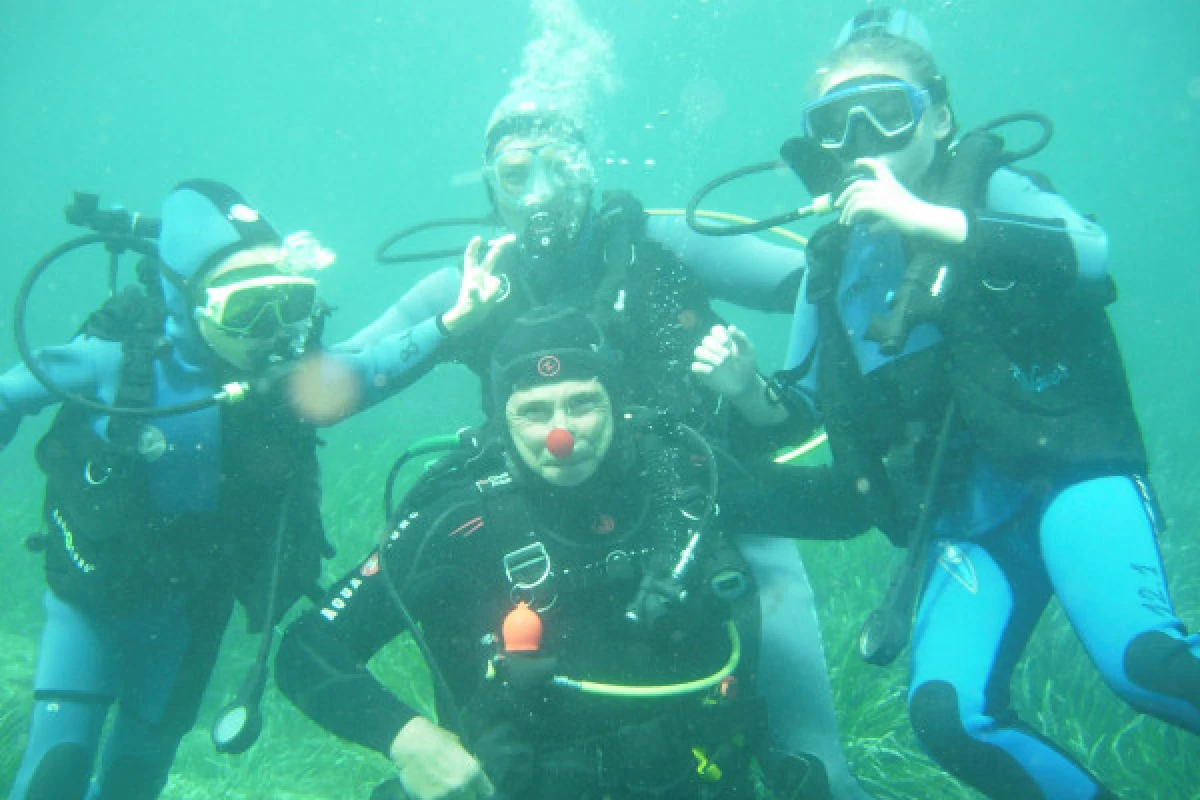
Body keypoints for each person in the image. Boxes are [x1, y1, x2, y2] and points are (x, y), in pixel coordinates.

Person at [691, 9, 1200, 800]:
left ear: (941, 117)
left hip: (1069, 479)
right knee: (948, 716)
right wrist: (743, 388)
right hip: (962, 519)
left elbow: (1091, 255)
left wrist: (931, 221)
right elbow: (800, 410)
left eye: (888, 111)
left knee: (1145, 664)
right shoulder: (832, 261)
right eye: (837, 121)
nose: (863, 135)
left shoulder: (988, 186)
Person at [332, 88, 873, 799]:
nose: (541, 194)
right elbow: (331, 385)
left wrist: (859, 232)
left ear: (591, 171)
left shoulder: (663, 243)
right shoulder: (467, 279)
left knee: (813, 763)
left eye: (559, 166)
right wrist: (447, 324)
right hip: (545, 533)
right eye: (516, 174)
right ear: (490, 187)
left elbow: (822, 280)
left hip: (709, 508)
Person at [276, 306, 834, 800]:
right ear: (501, 417)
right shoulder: (457, 516)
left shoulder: (679, 472)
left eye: (584, 403)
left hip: (699, 778)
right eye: (534, 411)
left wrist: (760, 397)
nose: (560, 434)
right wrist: (406, 738)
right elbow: (308, 649)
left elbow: (845, 507)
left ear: (617, 403)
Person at [0, 180, 352, 799]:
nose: (271, 332)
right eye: (246, 309)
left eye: (290, 303)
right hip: (93, 601)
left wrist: (456, 314)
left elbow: (379, 358)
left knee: (137, 774)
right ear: (189, 300)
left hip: (192, 613)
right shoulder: (114, 363)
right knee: (57, 769)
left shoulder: (288, 382)